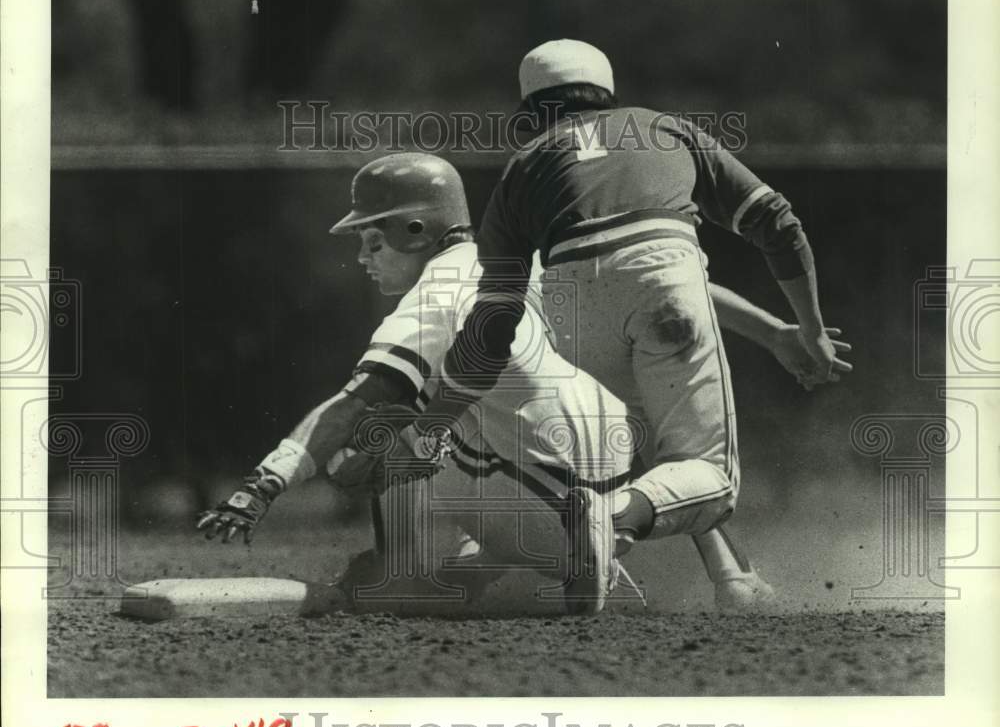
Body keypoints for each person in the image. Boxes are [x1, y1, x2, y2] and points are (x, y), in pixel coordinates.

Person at [196, 152, 850, 614]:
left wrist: (265, 482)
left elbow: (355, 401)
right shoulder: (531, 261)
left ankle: (451, 575)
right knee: (643, 411)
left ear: (417, 229)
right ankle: (725, 575)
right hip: (613, 467)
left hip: (539, 499)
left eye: (372, 240)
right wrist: (776, 334)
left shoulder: (436, 294)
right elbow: (681, 290)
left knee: (396, 435)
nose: (362, 257)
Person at [418, 39, 850, 614]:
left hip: (574, 305)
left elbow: (497, 322)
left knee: (656, 450)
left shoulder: (522, 170)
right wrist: (810, 330)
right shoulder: (661, 127)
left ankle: (732, 578)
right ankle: (610, 524)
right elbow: (773, 223)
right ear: (605, 92)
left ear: (531, 109)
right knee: (709, 478)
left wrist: (431, 418)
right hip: (664, 284)